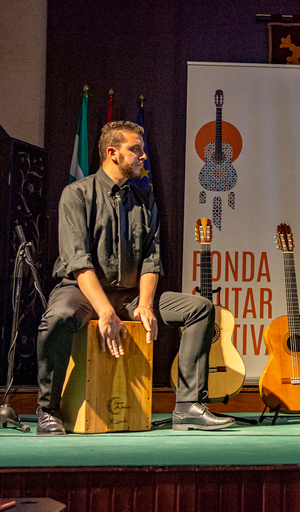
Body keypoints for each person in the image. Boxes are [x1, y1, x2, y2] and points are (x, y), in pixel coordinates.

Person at [35, 121, 234, 435]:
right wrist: (104, 312)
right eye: (135, 150)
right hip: (83, 290)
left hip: (128, 294)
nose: (143, 157)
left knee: (200, 308)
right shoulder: (77, 194)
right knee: (57, 318)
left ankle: (188, 407)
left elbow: (151, 260)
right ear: (112, 153)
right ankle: (48, 410)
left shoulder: (145, 200)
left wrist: (144, 304)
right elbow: (78, 263)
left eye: (142, 150)